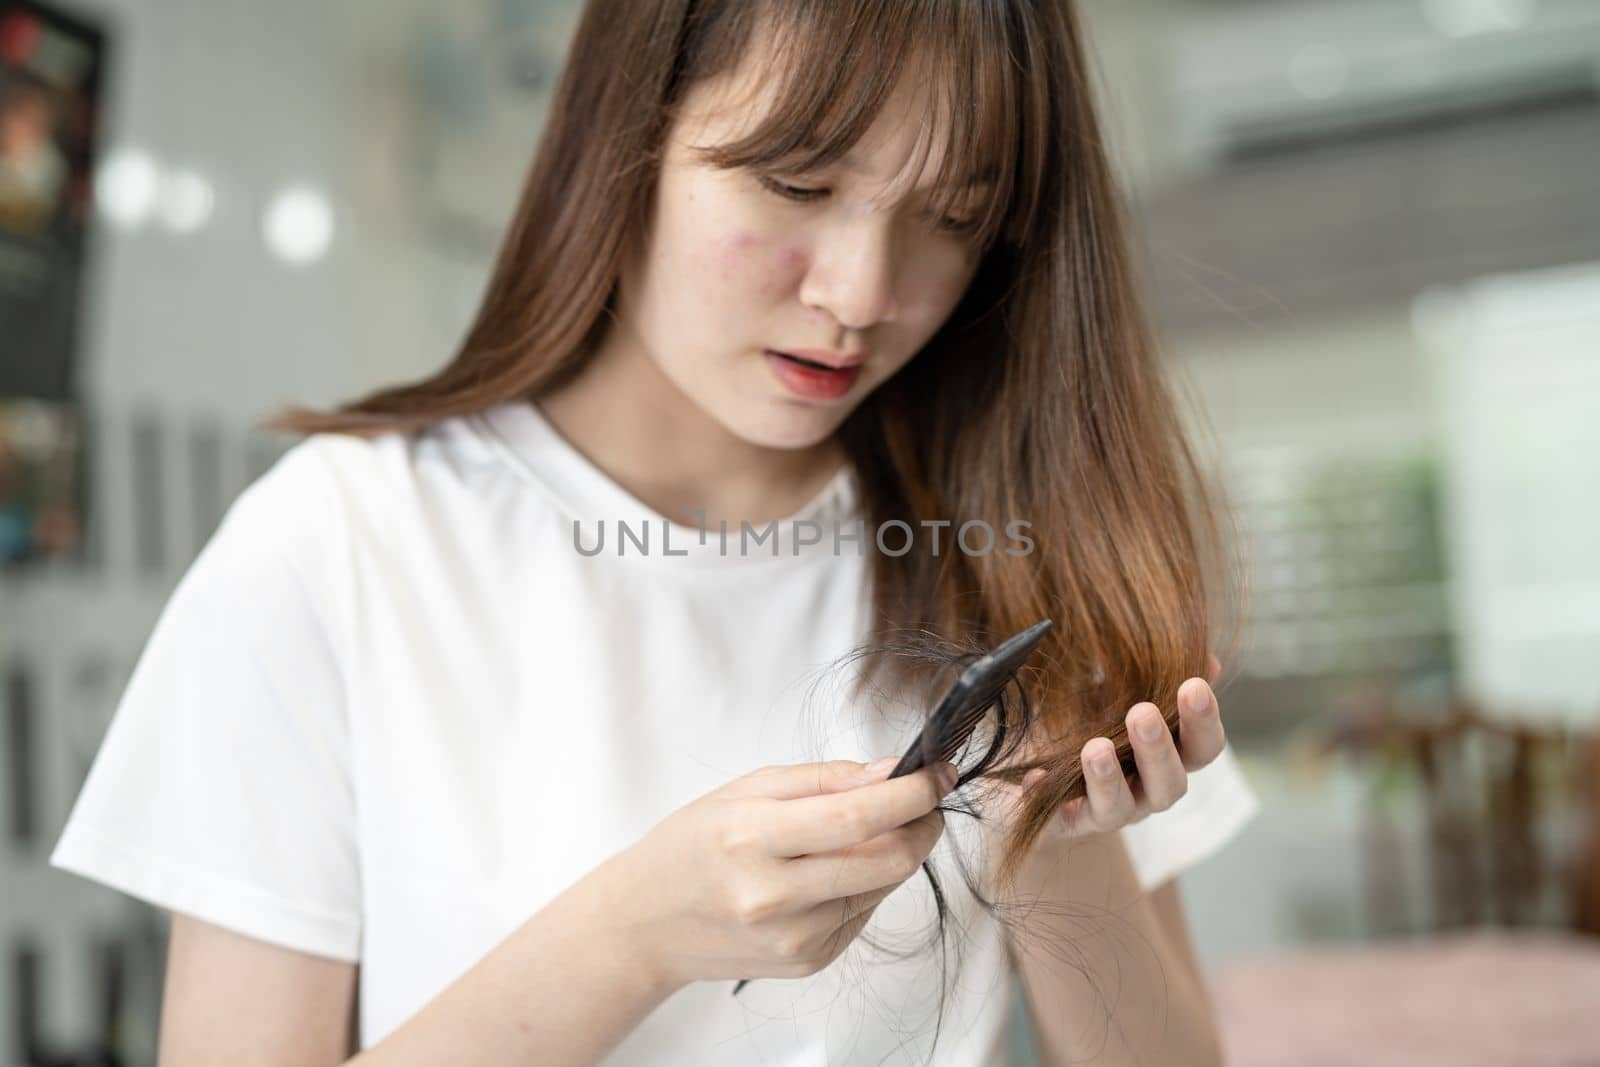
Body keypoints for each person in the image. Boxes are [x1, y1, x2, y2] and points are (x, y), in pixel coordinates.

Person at [51, 1, 1260, 1064]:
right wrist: (632, 934)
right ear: (623, 140)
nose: (858, 292)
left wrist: (1047, 836)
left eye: (950, 216)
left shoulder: (1013, 538)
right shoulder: (335, 545)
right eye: (796, 183)